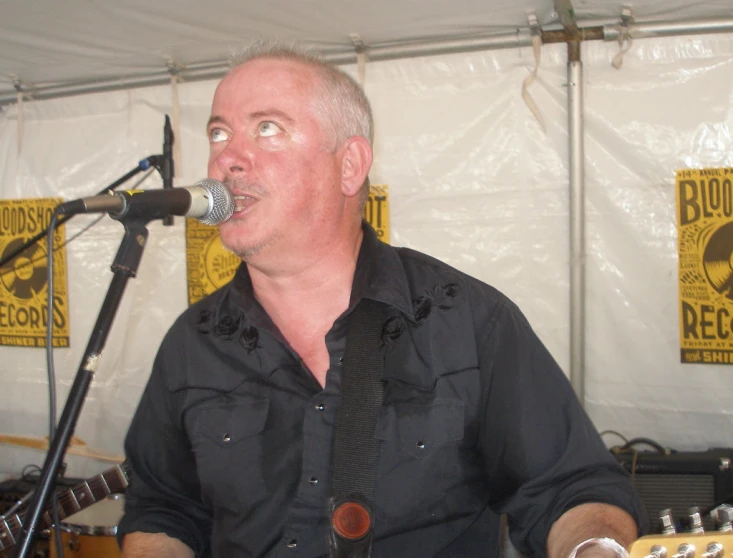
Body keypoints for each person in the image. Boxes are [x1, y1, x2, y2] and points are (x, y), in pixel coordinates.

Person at [118, 42, 646, 558]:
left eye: (267, 128)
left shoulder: (468, 322)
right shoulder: (192, 342)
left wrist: (593, 546)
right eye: (218, 132)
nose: (227, 156)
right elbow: (163, 508)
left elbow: (570, 489)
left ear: (349, 165)